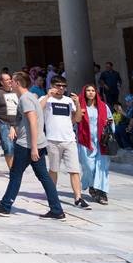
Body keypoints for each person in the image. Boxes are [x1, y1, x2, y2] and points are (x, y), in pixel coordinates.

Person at [0, 72, 65, 219]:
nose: (10, 83)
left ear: (17, 83)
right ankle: (56, 209)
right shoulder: (31, 97)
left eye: (12, 81)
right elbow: (38, 110)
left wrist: (33, 147)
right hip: (36, 143)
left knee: (16, 174)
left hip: (27, 145)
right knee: (43, 176)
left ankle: (5, 205)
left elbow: (33, 121)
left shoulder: (25, 99)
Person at [40, 78, 90, 209]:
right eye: (58, 85)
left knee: (74, 170)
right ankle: (52, 195)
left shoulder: (68, 100)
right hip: (52, 140)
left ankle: (78, 197)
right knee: (53, 169)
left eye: (64, 86)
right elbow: (37, 110)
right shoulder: (46, 99)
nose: (61, 88)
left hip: (69, 140)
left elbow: (77, 119)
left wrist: (77, 103)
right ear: (52, 85)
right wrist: (47, 96)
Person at [77, 84, 112, 205]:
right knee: (89, 167)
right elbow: (74, 122)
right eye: (88, 90)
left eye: (93, 90)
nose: (91, 92)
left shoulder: (103, 106)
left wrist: (110, 124)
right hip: (85, 141)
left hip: (101, 142)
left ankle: (101, 192)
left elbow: (110, 120)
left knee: (102, 167)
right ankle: (92, 186)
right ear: (84, 92)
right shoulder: (80, 106)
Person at [0, 72, 19, 169]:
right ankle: (12, 170)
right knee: (8, 148)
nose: (9, 81)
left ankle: (16, 168)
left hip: (17, 123)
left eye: (10, 79)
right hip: (4, 123)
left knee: (18, 148)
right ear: (1, 82)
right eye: (6, 80)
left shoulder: (16, 91)